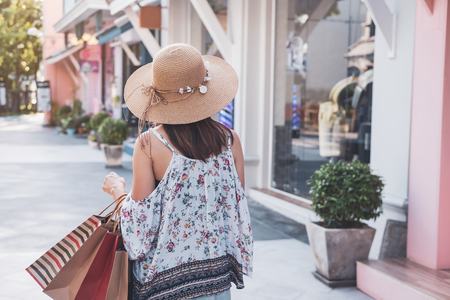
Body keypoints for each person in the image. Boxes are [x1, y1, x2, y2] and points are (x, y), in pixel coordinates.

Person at [102, 43, 253, 300]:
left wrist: (117, 192)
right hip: (217, 280)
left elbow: (139, 227)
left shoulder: (150, 143)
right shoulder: (231, 140)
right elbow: (234, 206)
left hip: (165, 283)